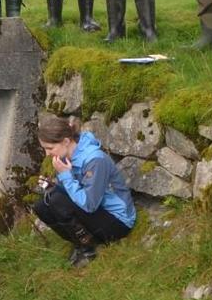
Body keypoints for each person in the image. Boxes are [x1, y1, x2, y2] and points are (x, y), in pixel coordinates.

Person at [32, 112, 136, 268]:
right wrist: (54, 185)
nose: (47, 154)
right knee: (41, 206)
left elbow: (89, 204)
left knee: (56, 200)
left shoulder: (95, 160)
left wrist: (65, 176)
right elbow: (74, 191)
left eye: (50, 148)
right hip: (97, 214)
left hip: (118, 222)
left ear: (66, 141)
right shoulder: (65, 156)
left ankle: (88, 249)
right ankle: (80, 242)